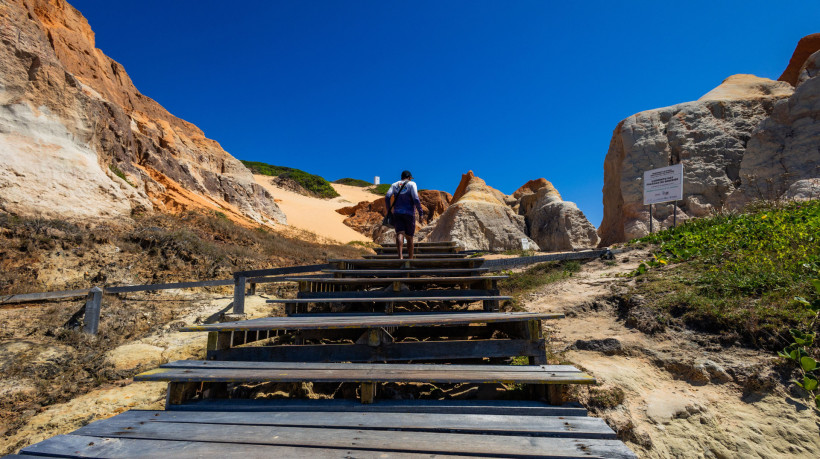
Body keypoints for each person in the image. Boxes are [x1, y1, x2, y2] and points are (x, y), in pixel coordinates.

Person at [384, 170, 424, 259]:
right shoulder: (411, 184)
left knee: (399, 233)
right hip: (409, 214)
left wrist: (389, 210)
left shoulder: (394, 185)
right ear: (409, 177)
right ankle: (410, 258)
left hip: (397, 213)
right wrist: (421, 213)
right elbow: (416, 199)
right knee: (409, 237)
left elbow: (387, 197)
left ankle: (400, 257)